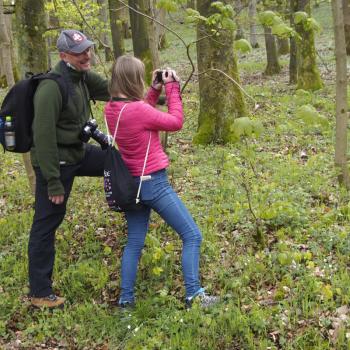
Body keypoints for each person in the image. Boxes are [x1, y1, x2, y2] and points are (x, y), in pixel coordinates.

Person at [104, 55, 219, 309]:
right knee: (192, 235)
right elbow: (175, 122)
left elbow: (139, 112)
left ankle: (126, 301)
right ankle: (194, 296)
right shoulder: (139, 110)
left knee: (134, 243)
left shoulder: (112, 108)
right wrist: (172, 88)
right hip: (154, 184)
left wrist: (154, 90)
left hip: (131, 186)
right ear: (134, 79)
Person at [28, 29, 110, 308]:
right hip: (56, 163)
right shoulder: (51, 87)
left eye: (87, 49)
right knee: (47, 222)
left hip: (77, 152)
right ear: (64, 56)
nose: (86, 55)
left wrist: (154, 95)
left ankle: (127, 204)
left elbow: (115, 92)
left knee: (117, 162)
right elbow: (43, 137)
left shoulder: (82, 77)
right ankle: (39, 292)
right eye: (79, 53)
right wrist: (52, 181)